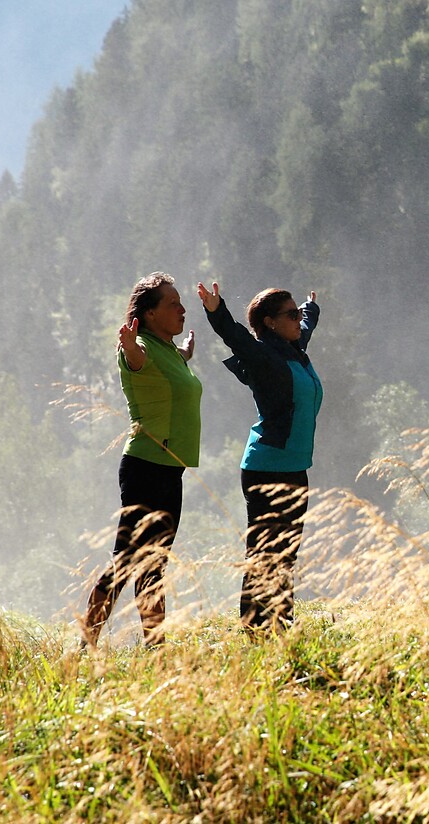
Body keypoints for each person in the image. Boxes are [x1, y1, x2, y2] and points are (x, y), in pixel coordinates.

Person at [80, 272, 200, 648]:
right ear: (148, 315)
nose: (182, 309)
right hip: (147, 468)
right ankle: (86, 644)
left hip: (169, 469)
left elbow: (165, 362)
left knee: (154, 563)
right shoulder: (140, 347)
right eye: (173, 304)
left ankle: (156, 647)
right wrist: (130, 345)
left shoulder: (167, 348)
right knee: (127, 560)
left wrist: (185, 354)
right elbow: (137, 359)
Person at [197, 280, 322, 631]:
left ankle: (280, 623)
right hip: (266, 468)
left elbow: (307, 328)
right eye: (292, 314)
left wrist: (311, 309)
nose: (298, 320)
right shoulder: (263, 355)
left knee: (286, 552)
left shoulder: (293, 347)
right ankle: (254, 628)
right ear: (269, 322)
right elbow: (234, 335)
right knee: (265, 553)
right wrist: (215, 310)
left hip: (296, 467)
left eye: (298, 313)